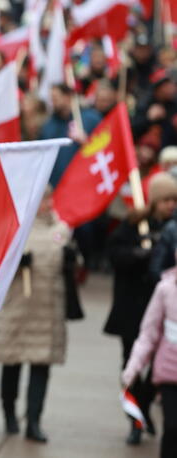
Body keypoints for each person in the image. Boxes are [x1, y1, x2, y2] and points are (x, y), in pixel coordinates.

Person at [0, 188, 71, 443]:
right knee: (11, 364)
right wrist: (14, 263)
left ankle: (34, 420)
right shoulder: (14, 228)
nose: (48, 203)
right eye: (43, 199)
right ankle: (9, 414)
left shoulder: (62, 230)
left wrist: (73, 261)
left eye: (50, 198)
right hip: (18, 310)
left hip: (47, 311)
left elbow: (71, 265)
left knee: (41, 367)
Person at [105, 172, 177, 446]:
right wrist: (140, 254)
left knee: (160, 369)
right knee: (132, 364)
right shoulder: (134, 224)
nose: (170, 205)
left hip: (166, 312)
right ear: (155, 200)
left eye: (174, 200)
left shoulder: (173, 228)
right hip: (134, 309)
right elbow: (115, 254)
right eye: (166, 200)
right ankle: (134, 420)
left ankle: (144, 403)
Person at [123, 247, 177, 458]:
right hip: (170, 373)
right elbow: (148, 334)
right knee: (173, 427)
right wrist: (133, 368)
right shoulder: (165, 289)